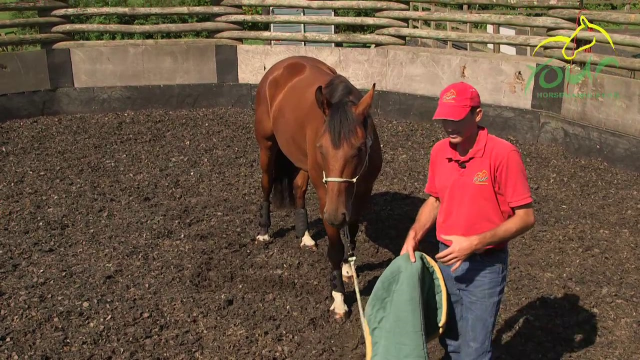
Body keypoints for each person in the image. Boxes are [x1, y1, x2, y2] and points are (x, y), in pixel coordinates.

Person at [400, 81, 536, 360]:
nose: (449, 125)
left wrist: (474, 243)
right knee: (451, 341)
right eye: (444, 119)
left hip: (484, 265)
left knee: (475, 350)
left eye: (457, 117)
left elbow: (526, 217)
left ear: (477, 115)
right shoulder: (439, 152)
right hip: (445, 258)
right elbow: (435, 199)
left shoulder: (503, 154)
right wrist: (413, 236)